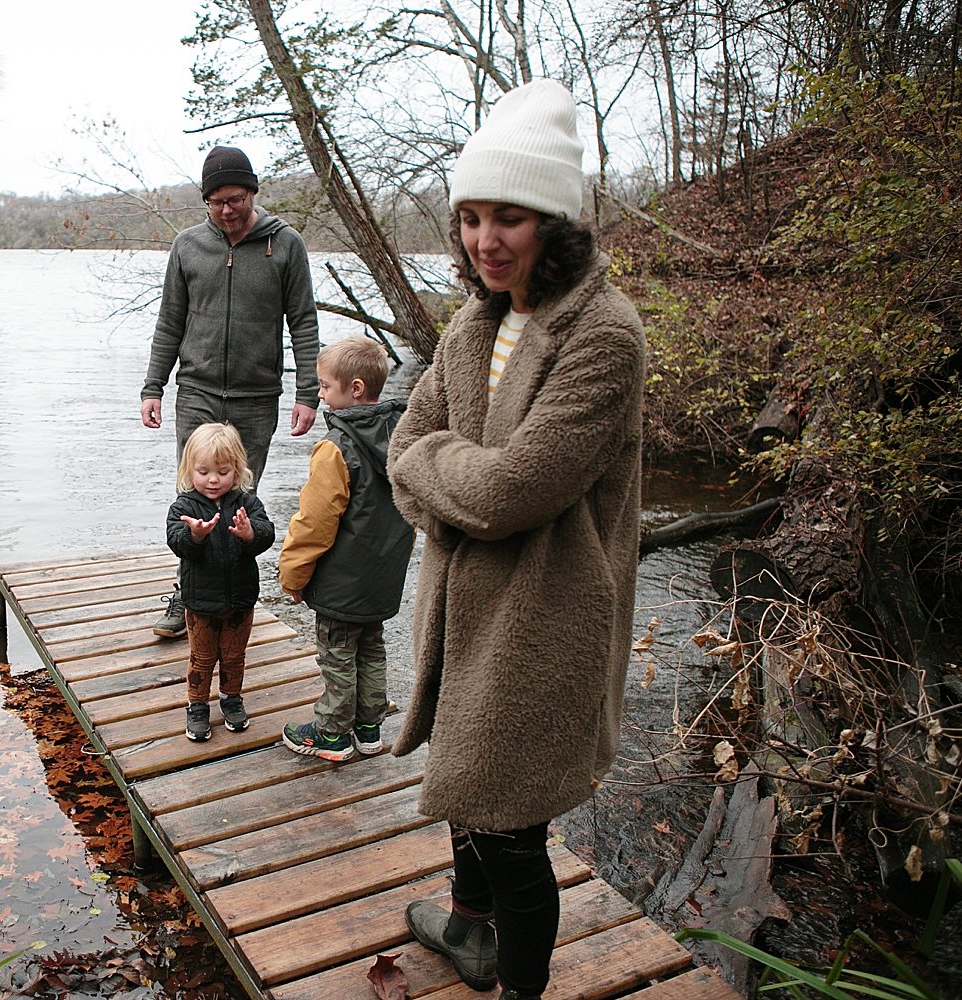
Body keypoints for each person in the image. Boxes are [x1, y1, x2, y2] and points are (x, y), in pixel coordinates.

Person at [386, 79, 646, 1000]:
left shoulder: (604, 335)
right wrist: (448, 474)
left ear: (556, 224)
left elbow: (509, 493)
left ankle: (520, 988)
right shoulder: (478, 318)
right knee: (466, 777)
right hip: (464, 599)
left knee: (508, 823)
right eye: (470, 218)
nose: (484, 242)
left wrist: (441, 472)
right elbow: (399, 449)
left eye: (510, 219)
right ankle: (468, 924)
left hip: (543, 613)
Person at [141, 145, 320, 639]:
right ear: (206, 201)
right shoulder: (188, 247)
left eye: (235, 199)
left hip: (256, 394)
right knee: (194, 494)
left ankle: (238, 599)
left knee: (241, 499)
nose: (226, 210)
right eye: (216, 202)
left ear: (253, 193)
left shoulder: (285, 246)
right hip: (196, 388)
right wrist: (153, 386)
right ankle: (187, 596)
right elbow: (169, 321)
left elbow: (303, 321)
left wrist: (308, 392)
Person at [277, 337, 414, 762]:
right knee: (372, 648)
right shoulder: (403, 435)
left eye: (324, 386)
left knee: (337, 654)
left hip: (341, 581)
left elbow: (314, 523)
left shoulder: (335, 448)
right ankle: (369, 729)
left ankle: (332, 734)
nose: (319, 394)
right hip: (383, 577)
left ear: (354, 389)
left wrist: (293, 574)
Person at [166, 422, 276, 741]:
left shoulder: (248, 503)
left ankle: (231, 698)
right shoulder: (183, 507)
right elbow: (176, 542)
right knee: (201, 659)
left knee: (234, 656)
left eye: (223, 471)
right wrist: (195, 535)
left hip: (240, 600)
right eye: (203, 471)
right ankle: (197, 705)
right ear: (190, 470)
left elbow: (266, 534)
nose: (213, 479)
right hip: (200, 603)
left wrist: (249, 533)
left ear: (238, 469)